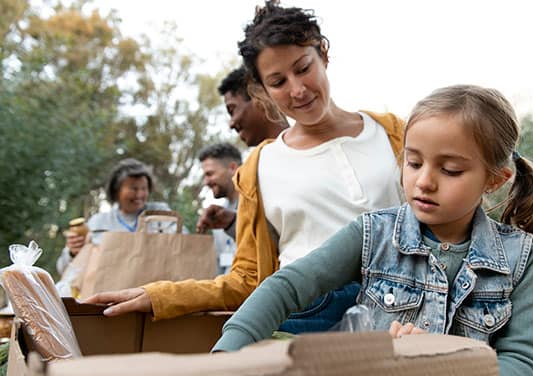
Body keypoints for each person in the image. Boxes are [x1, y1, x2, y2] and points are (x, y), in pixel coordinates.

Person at [212, 85, 533, 376]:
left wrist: (445, 363)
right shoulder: (373, 234)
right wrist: (228, 356)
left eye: (451, 170)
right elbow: (287, 287)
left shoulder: (519, 259)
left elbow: (527, 369)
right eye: (413, 162)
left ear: (494, 180)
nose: (423, 181)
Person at [84, 1, 405, 334]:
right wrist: (162, 295)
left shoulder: (396, 134)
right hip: (306, 314)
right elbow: (248, 279)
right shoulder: (259, 167)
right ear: (262, 89)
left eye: (303, 67)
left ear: (323, 54)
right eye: (278, 81)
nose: (297, 89)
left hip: (405, 309)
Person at [196, 66, 288, 235]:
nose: (231, 124)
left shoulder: (302, 153)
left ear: (259, 97)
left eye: (232, 110)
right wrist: (232, 222)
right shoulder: (257, 168)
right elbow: (275, 239)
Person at [56, 158, 173, 274]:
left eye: (144, 188)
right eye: (134, 188)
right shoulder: (98, 223)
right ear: (117, 190)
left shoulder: (161, 214)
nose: (140, 194)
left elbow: (182, 245)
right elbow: (63, 269)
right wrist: (72, 252)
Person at [196, 143, 242, 275]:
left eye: (210, 174)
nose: (206, 181)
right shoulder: (217, 214)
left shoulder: (258, 204)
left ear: (232, 168)